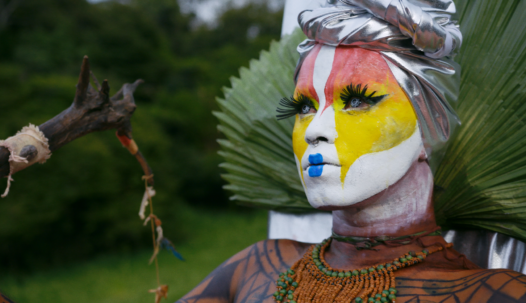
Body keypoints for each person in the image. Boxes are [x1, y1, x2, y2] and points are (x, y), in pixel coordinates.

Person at [179, 1, 526, 302]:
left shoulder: (489, 294)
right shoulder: (255, 267)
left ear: (429, 130)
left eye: (357, 101)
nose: (315, 129)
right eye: (303, 107)